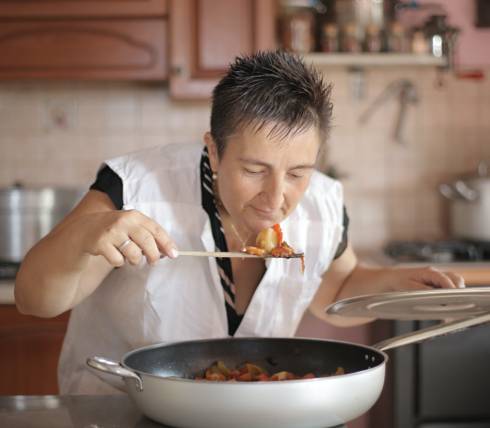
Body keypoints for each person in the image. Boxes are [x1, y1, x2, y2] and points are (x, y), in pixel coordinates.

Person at [15, 50, 464, 394]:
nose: (276, 198)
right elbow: (35, 299)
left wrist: (403, 287)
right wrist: (88, 234)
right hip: (123, 409)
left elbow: (336, 290)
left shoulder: (324, 201)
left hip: (253, 409)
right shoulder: (134, 187)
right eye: (254, 171)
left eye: (298, 173)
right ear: (213, 150)